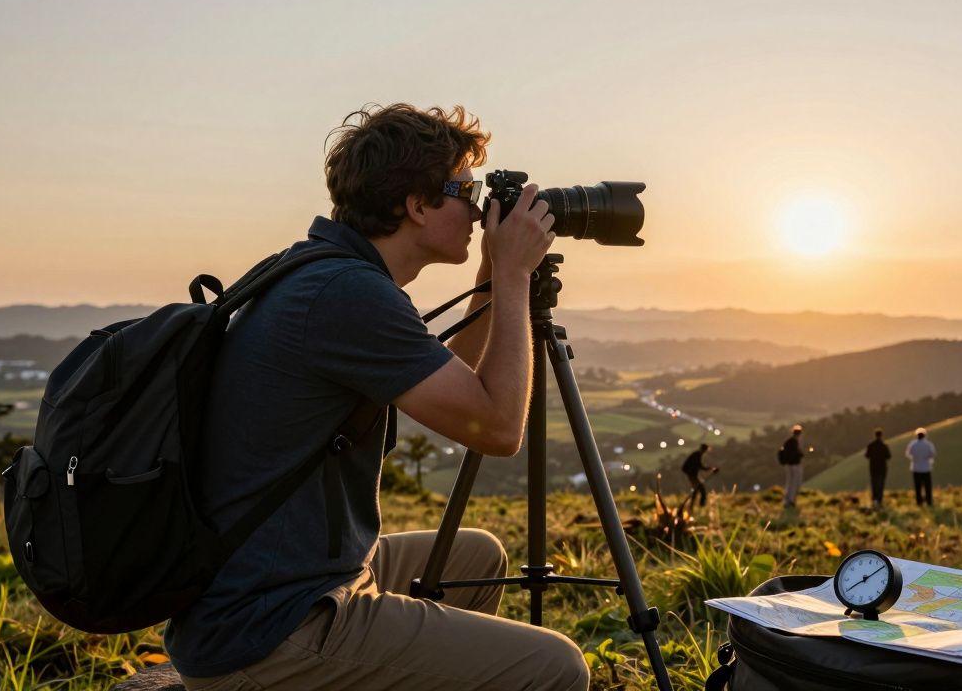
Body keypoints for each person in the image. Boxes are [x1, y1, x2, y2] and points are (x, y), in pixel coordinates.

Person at [165, 104, 588, 690]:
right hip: (269, 628)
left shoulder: (327, 272)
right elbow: (496, 430)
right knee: (557, 667)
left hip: (285, 579)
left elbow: (453, 378)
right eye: (464, 191)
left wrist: (493, 270)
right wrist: (517, 278)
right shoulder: (347, 295)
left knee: (478, 557)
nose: (476, 208)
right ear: (416, 205)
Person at [681, 443, 718, 508]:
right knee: (700, 489)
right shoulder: (697, 455)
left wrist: (710, 468)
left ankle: (692, 505)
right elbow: (699, 466)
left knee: (697, 489)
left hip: (693, 475)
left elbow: (699, 466)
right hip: (692, 475)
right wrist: (711, 468)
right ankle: (696, 506)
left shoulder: (697, 454)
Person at [905, 427, 936, 506]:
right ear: (924, 435)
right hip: (926, 468)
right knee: (927, 486)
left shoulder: (913, 444)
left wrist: (914, 458)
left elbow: (908, 454)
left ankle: (919, 502)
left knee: (917, 487)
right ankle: (929, 501)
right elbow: (932, 454)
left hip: (916, 468)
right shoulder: (928, 444)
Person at [778, 424, 804, 508]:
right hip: (795, 465)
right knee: (795, 483)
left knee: (789, 483)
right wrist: (800, 454)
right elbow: (796, 454)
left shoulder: (788, 442)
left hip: (788, 465)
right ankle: (791, 501)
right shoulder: (794, 442)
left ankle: (787, 500)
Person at [865, 428, 891, 507]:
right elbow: (888, 456)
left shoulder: (871, 445)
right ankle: (879, 500)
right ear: (881, 435)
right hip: (882, 468)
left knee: (874, 484)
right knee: (881, 484)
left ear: (875, 435)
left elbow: (867, 456)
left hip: (873, 468)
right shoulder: (884, 446)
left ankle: (874, 499)